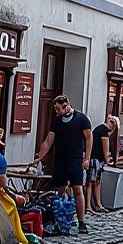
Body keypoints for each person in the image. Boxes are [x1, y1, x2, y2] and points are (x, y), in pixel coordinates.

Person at [32, 95, 93, 234]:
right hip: (60, 159)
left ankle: (81, 222)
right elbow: (49, 140)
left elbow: (89, 138)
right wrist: (39, 157)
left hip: (76, 159)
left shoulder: (81, 119)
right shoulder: (57, 121)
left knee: (78, 189)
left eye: (58, 109)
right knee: (60, 190)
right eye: (56, 109)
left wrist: (87, 158)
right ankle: (59, 219)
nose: (57, 112)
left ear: (66, 105)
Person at [85, 115, 118, 215]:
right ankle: (89, 206)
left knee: (95, 182)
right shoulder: (103, 131)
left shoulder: (99, 129)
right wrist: (108, 160)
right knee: (91, 182)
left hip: (95, 159)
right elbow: (105, 148)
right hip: (96, 159)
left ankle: (97, 204)